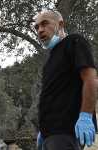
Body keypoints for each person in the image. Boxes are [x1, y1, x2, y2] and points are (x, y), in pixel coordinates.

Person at [34, 10, 97, 150]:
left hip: (66, 133)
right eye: (36, 27)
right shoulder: (50, 59)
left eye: (44, 24)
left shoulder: (74, 41)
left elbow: (91, 79)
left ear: (60, 24)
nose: (40, 30)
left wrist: (85, 116)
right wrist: (43, 130)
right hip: (49, 135)